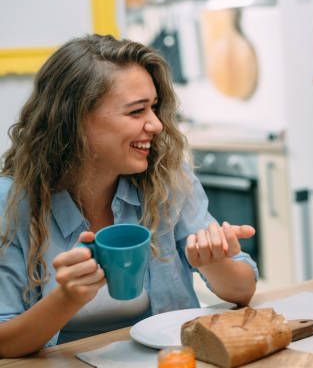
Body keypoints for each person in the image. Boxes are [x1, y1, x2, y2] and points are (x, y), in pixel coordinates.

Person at [0, 34, 259, 357]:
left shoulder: (167, 176)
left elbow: (243, 290)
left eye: (154, 108)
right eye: (137, 112)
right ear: (75, 119)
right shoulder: (11, 202)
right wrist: (65, 299)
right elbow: (4, 340)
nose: (156, 125)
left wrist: (215, 263)